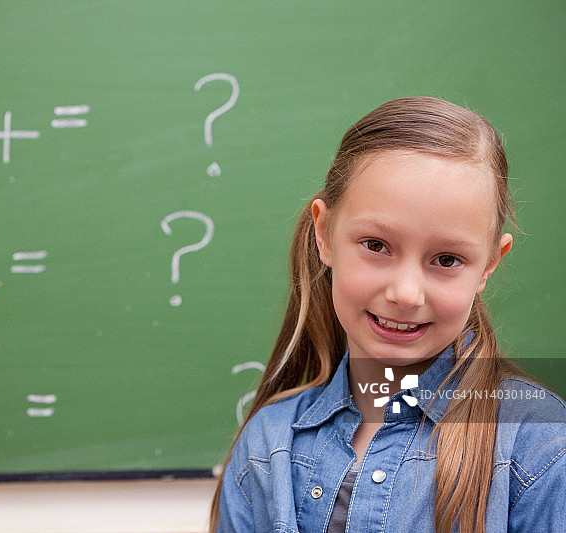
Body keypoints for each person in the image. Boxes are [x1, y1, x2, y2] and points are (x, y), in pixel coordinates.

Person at [210, 97, 566, 532]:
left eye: (447, 259)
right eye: (376, 246)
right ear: (324, 233)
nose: (405, 293)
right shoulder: (267, 446)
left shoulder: (541, 450)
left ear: (489, 265)